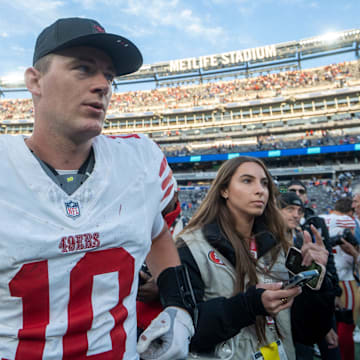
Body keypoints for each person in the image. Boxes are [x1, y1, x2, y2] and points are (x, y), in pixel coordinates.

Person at [0, 17, 196, 360]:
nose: (102, 85)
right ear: (35, 80)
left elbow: (158, 234)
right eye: (83, 68)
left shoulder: (142, 161)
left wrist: (178, 305)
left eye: (109, 76)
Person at [176, 156, 332, 359]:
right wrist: (250, 306)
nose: (260, 190)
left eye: (264, 183)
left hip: (275, 352)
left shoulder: (281, 247)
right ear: (224, 190)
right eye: (247, 181)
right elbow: (184, 330)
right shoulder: (190, 246)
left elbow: (306, 331)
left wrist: (316, 282)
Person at [277, 192, 340, 360]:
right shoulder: (264, 242)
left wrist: (324, 326)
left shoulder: (300, 240)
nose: (296, 215)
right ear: (276, 210)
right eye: (290, 209)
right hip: (275, 327)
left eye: (300, 210)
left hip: (300, 327)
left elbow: (308, 287)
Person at [320, 197, 360, 360]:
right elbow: (353, 244)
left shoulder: (321, 218)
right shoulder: (349, 221)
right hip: (345, 280)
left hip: (324, 279)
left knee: (328, 325)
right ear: (349, 210)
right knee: (346, 325)